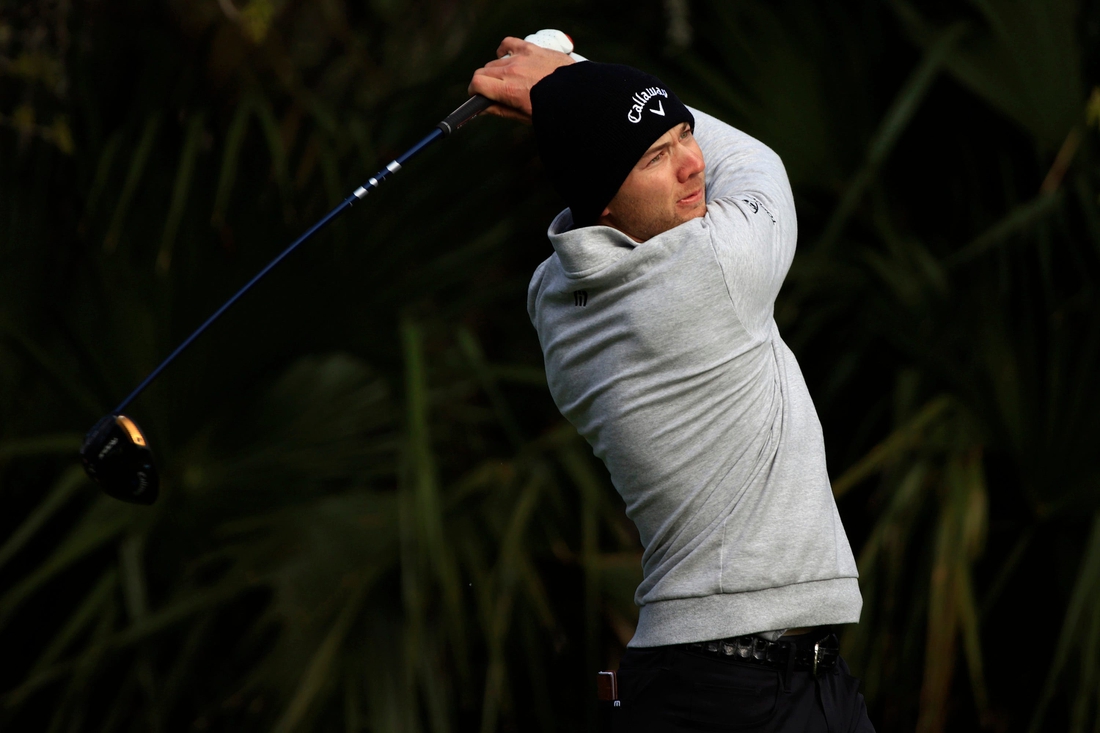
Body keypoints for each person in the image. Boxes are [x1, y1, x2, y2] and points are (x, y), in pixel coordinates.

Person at [469, 37, 875, 732]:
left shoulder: (554, 303)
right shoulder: (709, 269)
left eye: (684, 132)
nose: (693, 163)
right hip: (743, 691)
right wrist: (569, 75)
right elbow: (757, 166)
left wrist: (575, 105)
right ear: (603, 204)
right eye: (656, 157)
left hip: (745, 679)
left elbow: (596, 185)